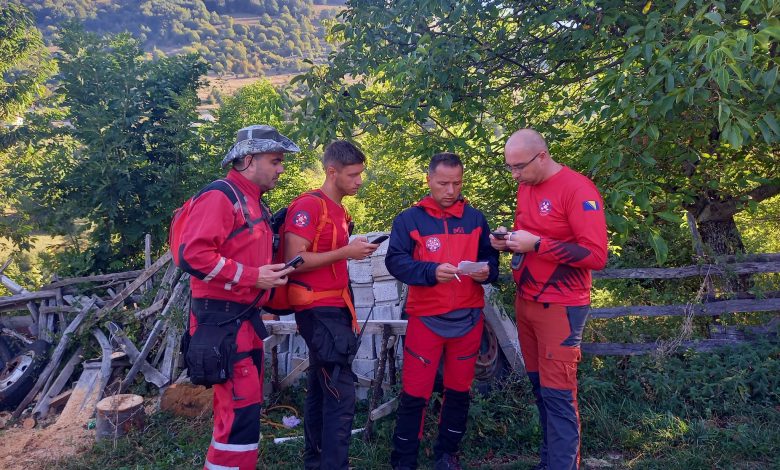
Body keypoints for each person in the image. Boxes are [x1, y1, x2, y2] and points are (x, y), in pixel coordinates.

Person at [176, 124, 299, 470]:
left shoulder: (253, 203)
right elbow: (192, 255)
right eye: (275, 161)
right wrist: (253, 277)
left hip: (244, 323)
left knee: (244, 416)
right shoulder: (222, 196)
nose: (281, 168)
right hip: (222, 326)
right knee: (236, 417)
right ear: (248, 159)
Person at [490, 129, 608, 470]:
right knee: (540, 389)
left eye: (519, 167)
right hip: (527, 301)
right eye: (509, 168)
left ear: (542, 156)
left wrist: (538, 245)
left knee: (558, 395)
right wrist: (509, 241)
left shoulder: (577, 189)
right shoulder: (527, 185)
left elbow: (596, 255)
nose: (515, 175)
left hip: (562, 306)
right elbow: (529, 234)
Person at [385, 152, 499, 470]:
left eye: (457, 183)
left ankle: (447, 454)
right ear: (429, 180)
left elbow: (492, 263)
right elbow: (395, 261)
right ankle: (404, 460)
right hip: (426, 319)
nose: (451, 190)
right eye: (443, 183)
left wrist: (485, 272)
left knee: (459, 391)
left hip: (469, 318)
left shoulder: (475, 219)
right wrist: (431, 272)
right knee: (415, 393)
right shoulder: (409, 219)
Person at [283, 140, 380, 469]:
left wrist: (351, 247)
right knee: (341, 393)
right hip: (316, 309)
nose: (359, 181)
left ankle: (318, 462)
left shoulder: (339, 210)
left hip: (335, 309)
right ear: (331, 171)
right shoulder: (309, 206)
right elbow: (293, 260)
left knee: (322, 390)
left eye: (360, 174)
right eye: (353, 175)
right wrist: (345, 252)